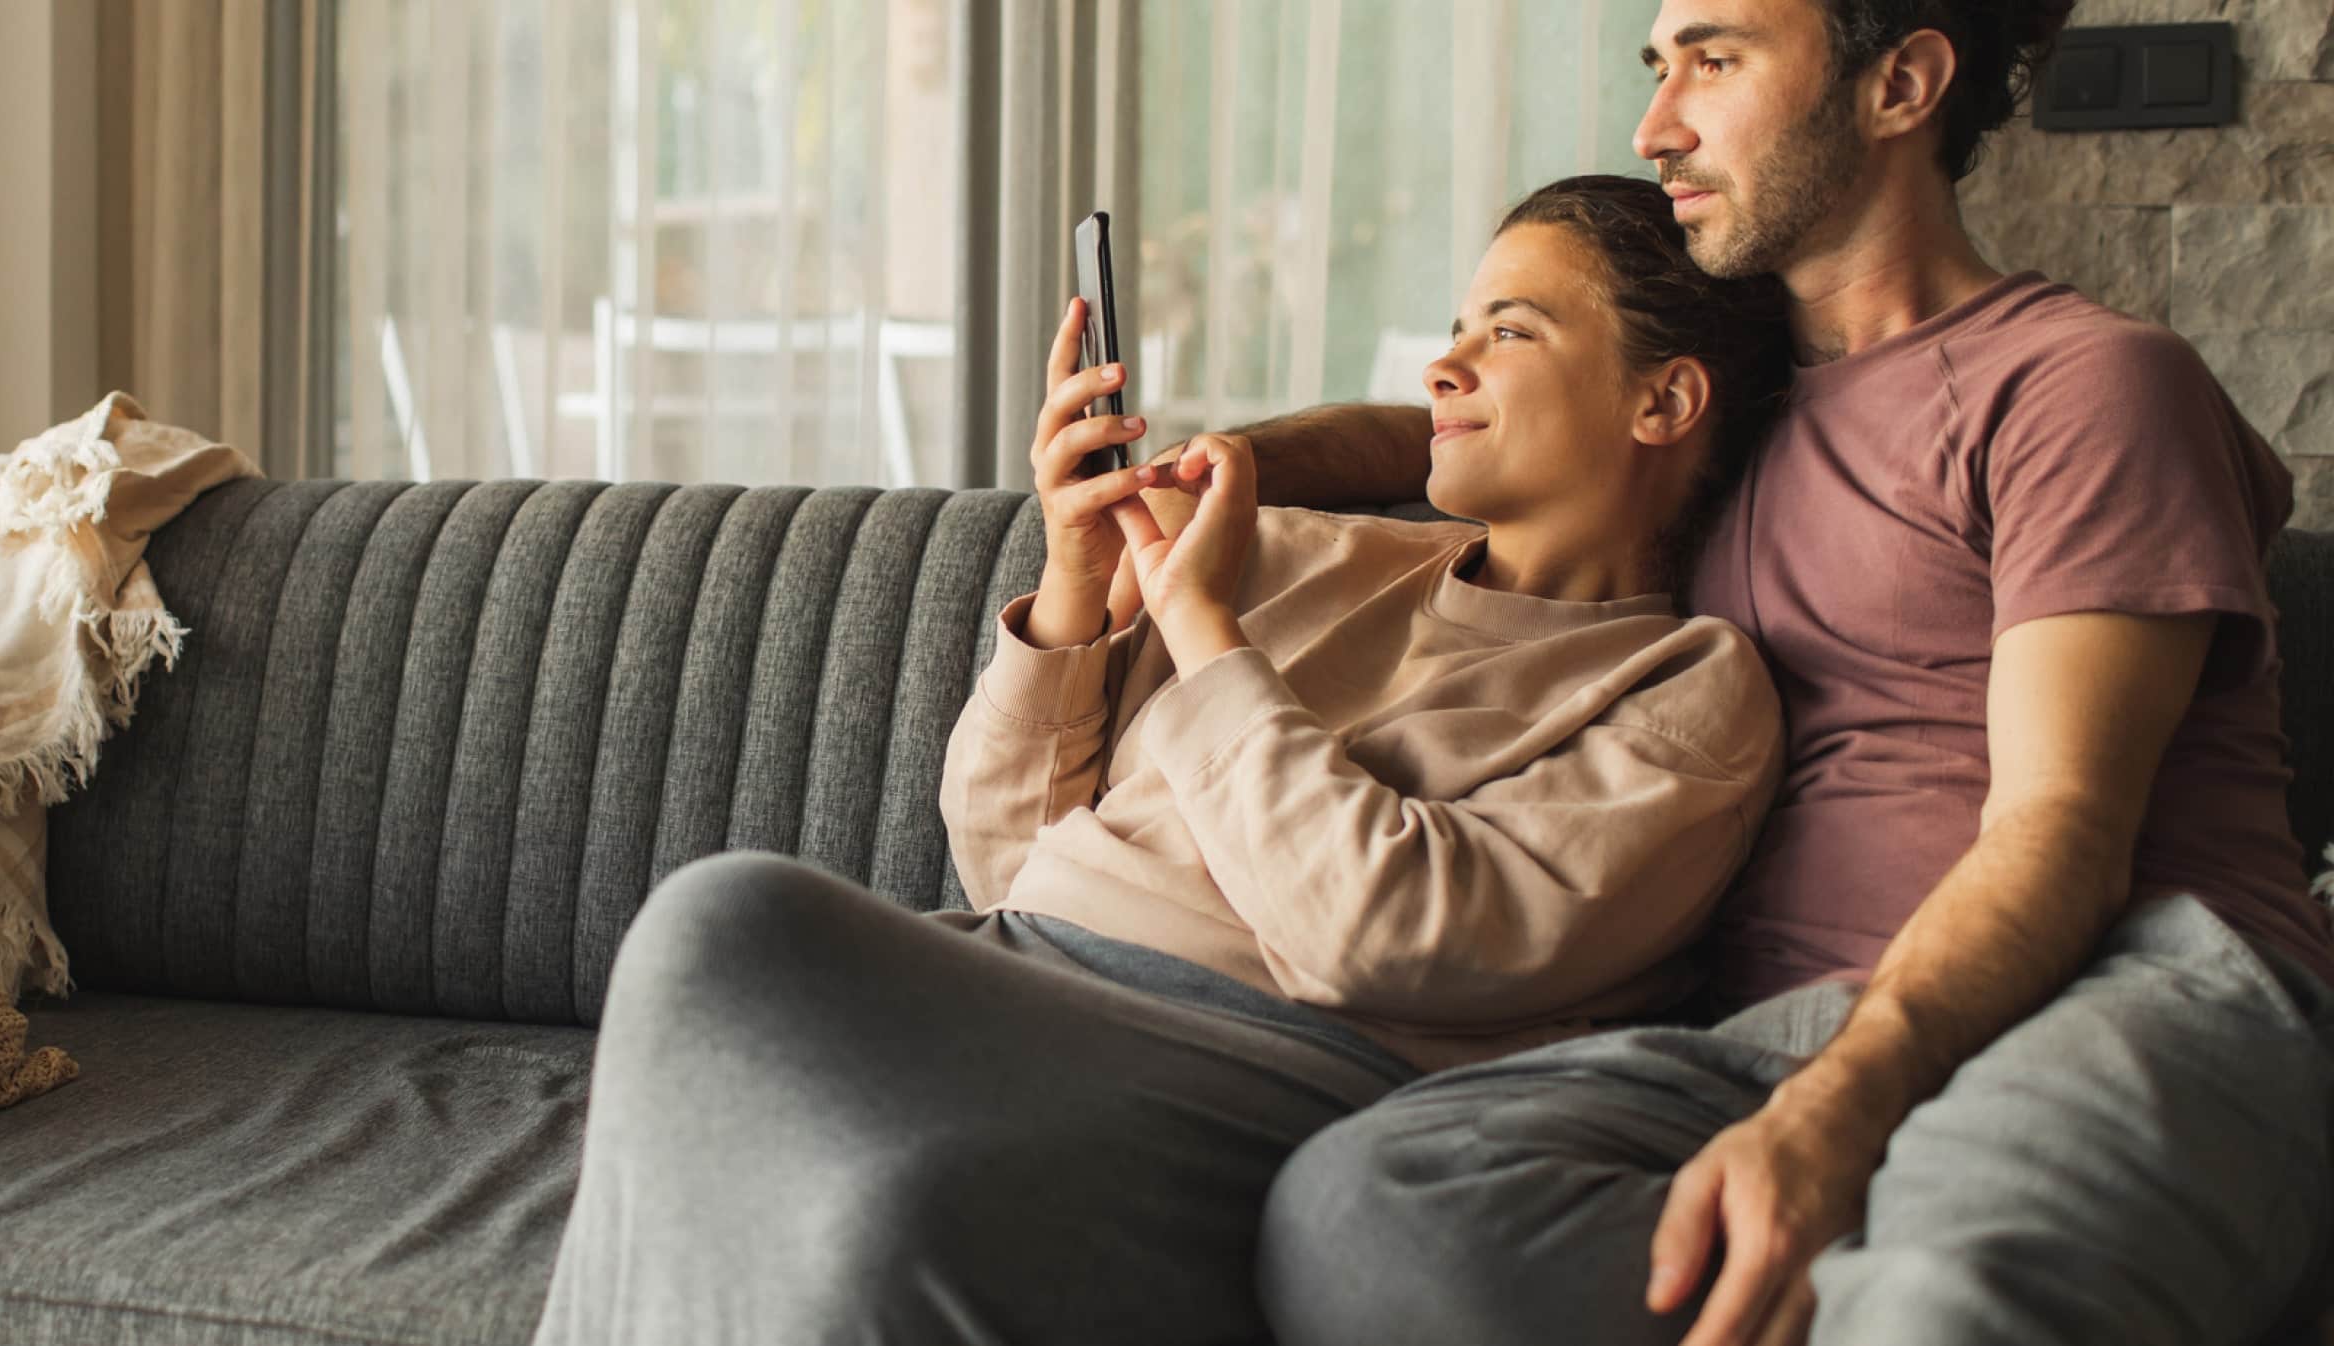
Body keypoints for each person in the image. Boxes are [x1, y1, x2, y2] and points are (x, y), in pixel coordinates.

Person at [1149, 3, 2334, 1344]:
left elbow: (2065, 830)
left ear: (1901, 83)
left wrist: (1836, 1115)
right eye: (1657, 69)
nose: (1656, 126)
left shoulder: (2083, 385)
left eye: (1715, 61)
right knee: (1365, 1211)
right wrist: (1217, 469)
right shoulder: (1732, 406)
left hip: (2126, 976)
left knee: (1947, 1304)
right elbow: (1469, 425)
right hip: (1768, 1031)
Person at [526, 173, 1794, 1344]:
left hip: (1264, 1060)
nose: (1444, 365)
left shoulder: (1683, 687)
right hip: (1020, 973)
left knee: (731, 933)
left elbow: (1391, 929)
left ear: (1664, 400)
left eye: (1509, 331)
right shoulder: (1308, 553)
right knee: (741, 962)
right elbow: (1006, 851)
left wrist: (1200, 628)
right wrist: (1078, 582)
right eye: (1457, 324)